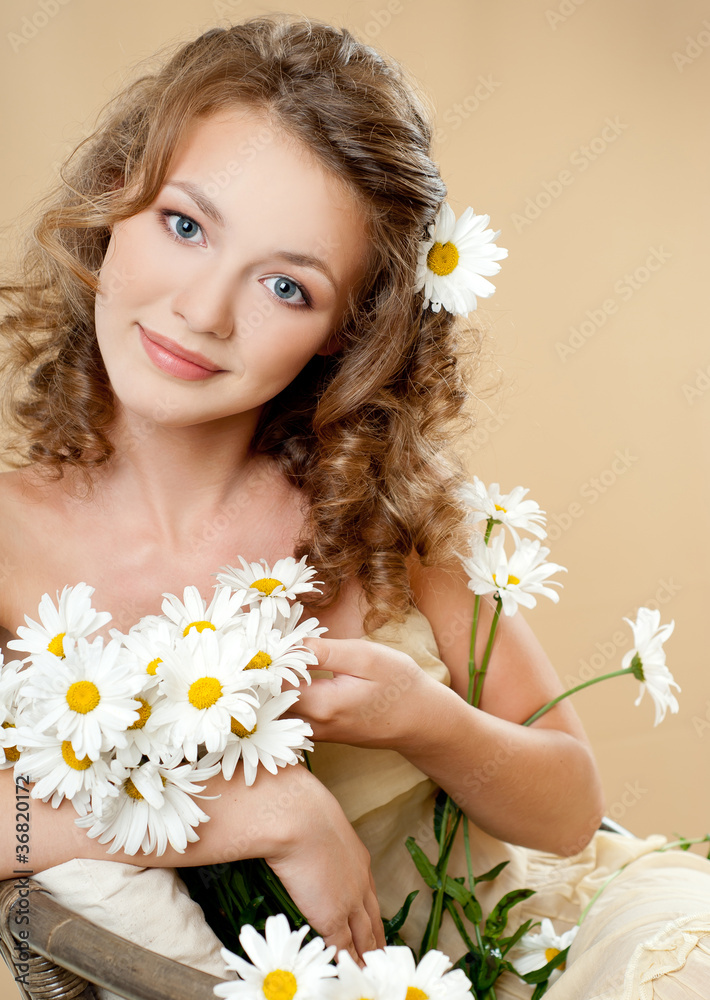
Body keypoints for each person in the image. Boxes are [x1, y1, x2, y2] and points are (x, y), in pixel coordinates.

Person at [1, 15, 709, 1000]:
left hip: (543, 951)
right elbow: (15, 821)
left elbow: (567, 813)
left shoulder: (379, 511)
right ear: (117, 192)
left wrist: (427, 720)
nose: (202, 311)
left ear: (346, 333)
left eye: (286, 285)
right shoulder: (12, 542)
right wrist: (264, 810)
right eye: (184, 224)